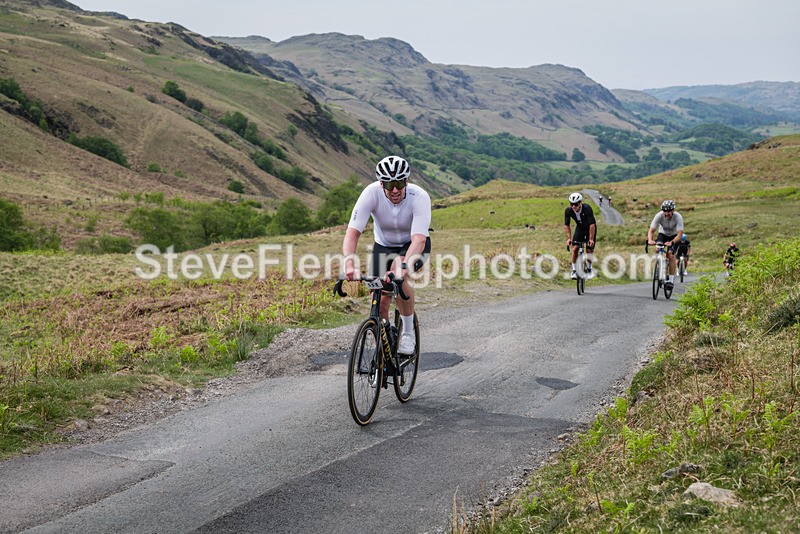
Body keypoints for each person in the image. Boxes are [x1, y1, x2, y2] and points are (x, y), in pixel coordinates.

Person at [342, 155, 431, 355]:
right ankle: (384, 348)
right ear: (381, 183)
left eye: (399, 183)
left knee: (398, 274)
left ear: (406, 181)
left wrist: (405, 266)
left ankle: (408, 334)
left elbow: (419, 239)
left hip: (412, 245)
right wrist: (349, 263)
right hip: (383, 246)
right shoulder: (371, 193)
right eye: (390, 185)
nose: (395, 190)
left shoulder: (420, 197)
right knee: (380, 299)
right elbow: (352, 233)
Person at [647, 200, 684, 290]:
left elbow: (679, 234)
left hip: (674, 236)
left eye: (668, 211)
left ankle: (671, 280)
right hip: (663, 234)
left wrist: (672, 242)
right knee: (657, 248)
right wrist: (650, 240)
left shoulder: (678, 217)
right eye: (665, 211)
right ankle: (659, 267)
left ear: (673, 211)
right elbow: (651, 230)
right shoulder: (659, 215)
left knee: (671, 255)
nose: (666, 213)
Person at [563, 192, 596, 280]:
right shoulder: (568, 210)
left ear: (580, 203)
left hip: (590, 229)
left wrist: (591, 239)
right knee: (575, 248)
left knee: (589, 250)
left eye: (576, 204)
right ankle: (574, 270)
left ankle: (589, 268)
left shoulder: (587, 209)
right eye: (572, 204)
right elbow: (566, 225)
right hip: (580, 229)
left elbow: (592, 225)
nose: (574, 206)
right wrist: (569, 238)